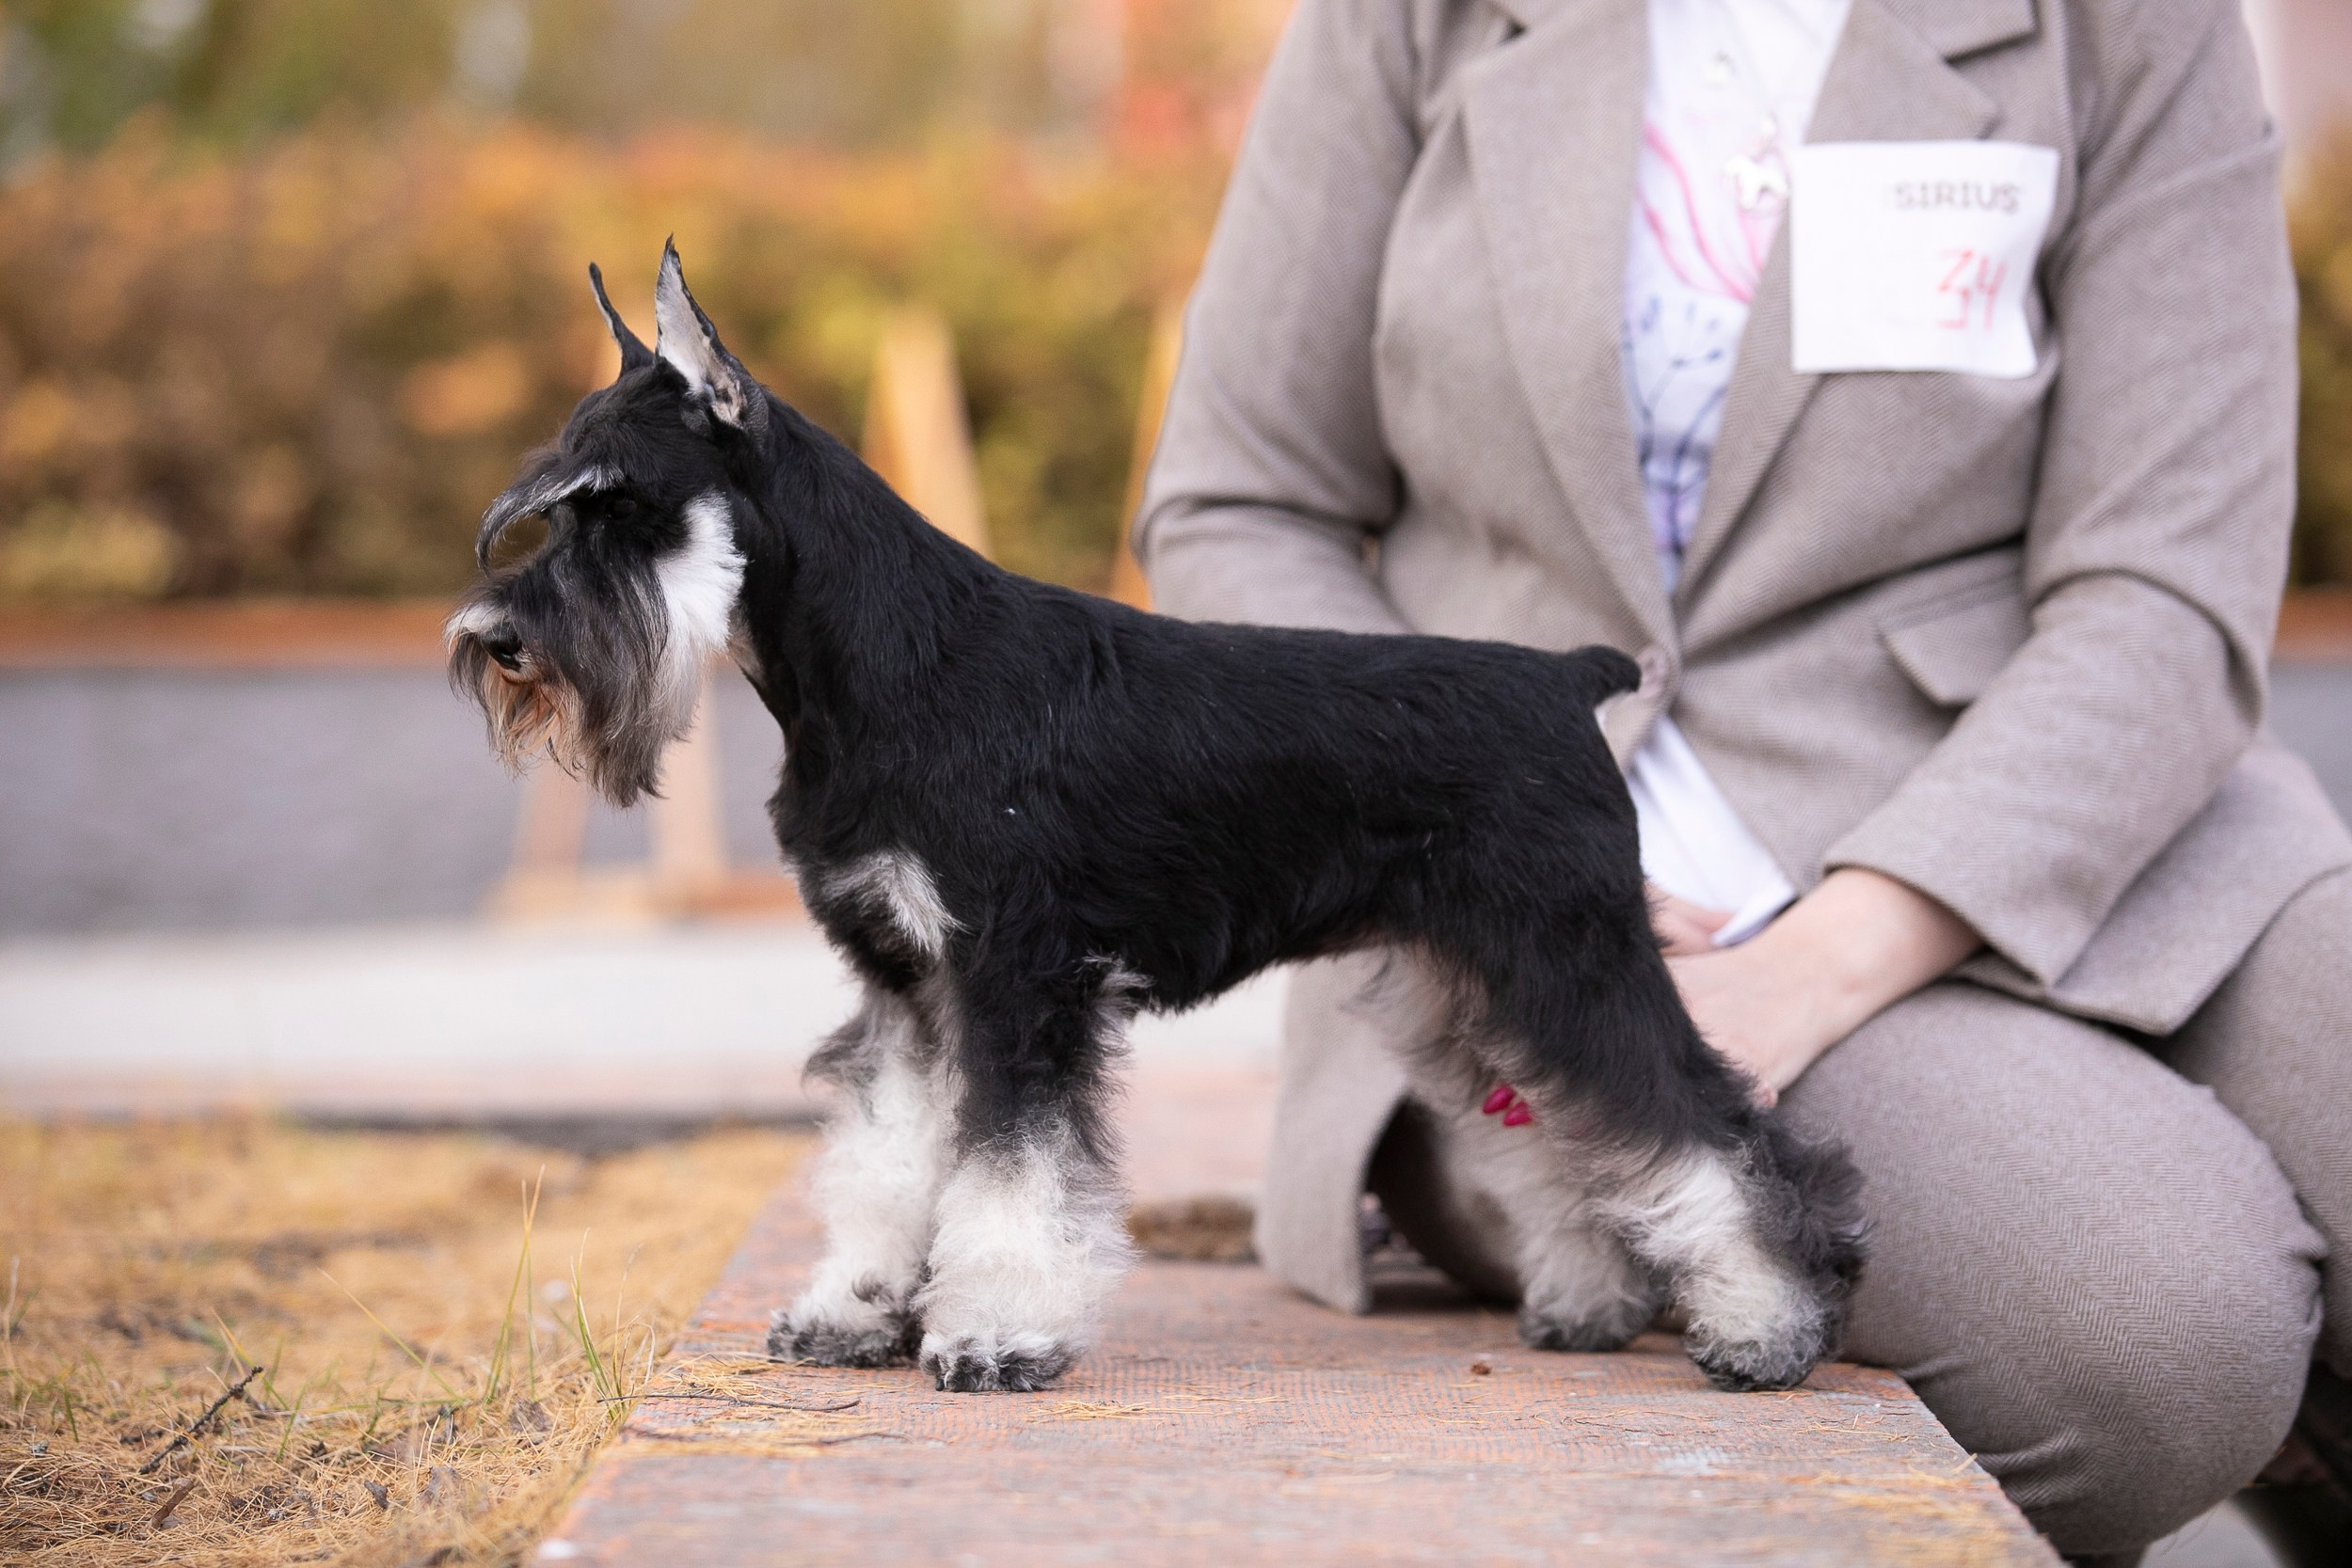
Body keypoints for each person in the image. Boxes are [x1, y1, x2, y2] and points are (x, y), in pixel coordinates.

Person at [1134, 0, 2352, 1560]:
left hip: (2094, 795)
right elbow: (1244, 498)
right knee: (2158, 1331)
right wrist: (1457, 825)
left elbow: (2166, 577)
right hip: (1526, 905)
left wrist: (1825, 960)